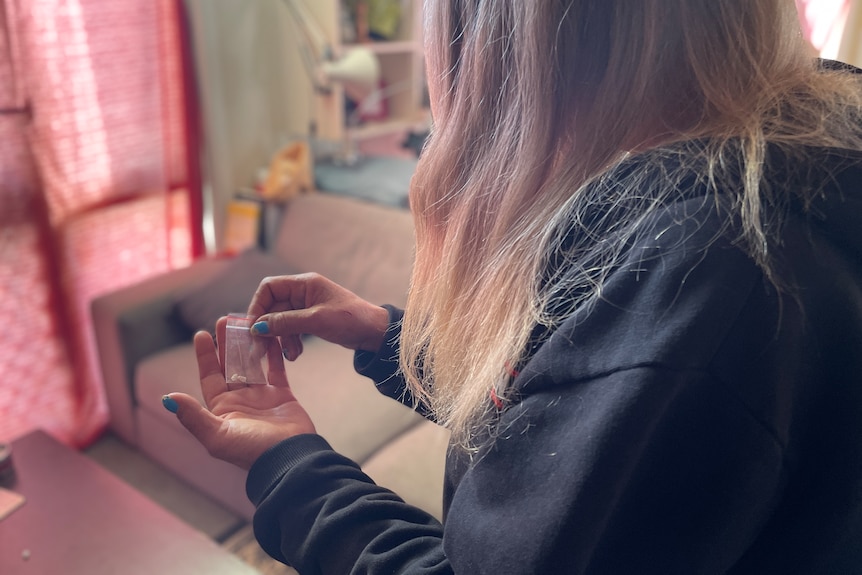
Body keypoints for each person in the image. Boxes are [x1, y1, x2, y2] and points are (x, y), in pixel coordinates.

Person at [162, 0, 862, 572]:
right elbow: (565, 396)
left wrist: (286, 462)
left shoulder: (705, 279)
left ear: (503, 38)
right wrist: (388, 336)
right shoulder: (769, 175)